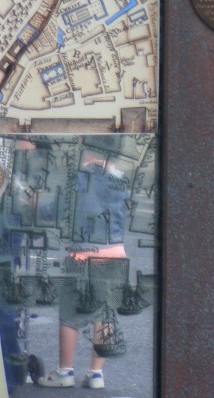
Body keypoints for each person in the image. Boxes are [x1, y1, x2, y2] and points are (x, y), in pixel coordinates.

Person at [38, 146, 129, 390]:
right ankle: (96, 373)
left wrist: (34, 204)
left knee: (70, 315)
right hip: (115, 255)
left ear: (86, 148)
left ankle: (65, 371)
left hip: (82, 256)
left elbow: (57, 211)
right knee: (105, 314)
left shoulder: (79, 178)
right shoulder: (121, 178)